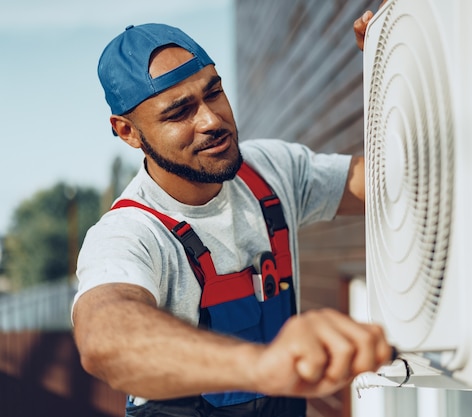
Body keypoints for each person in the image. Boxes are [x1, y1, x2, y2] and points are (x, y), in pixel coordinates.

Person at [72, 6, 388, 417]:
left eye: (214, 92)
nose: (211, 119)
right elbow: (105, 339)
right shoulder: (130, 233)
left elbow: (392, 181)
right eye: (179, 112)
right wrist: (262, 366)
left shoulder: (270, 171)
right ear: (128, 132)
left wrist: (392, 66)